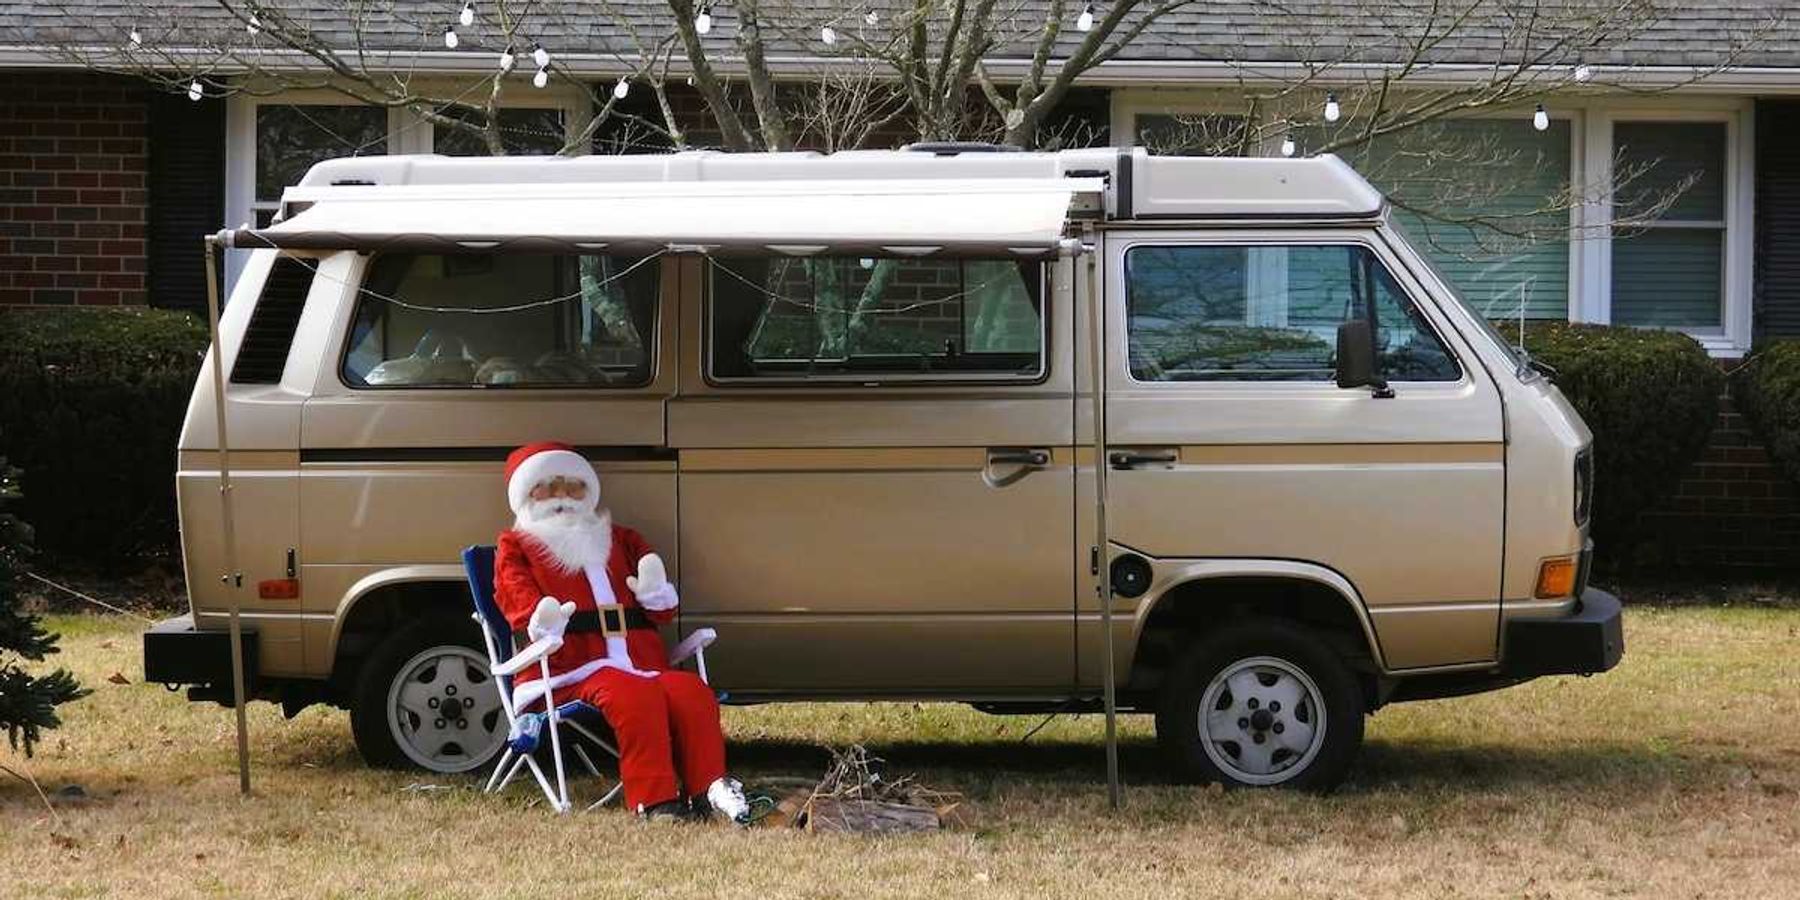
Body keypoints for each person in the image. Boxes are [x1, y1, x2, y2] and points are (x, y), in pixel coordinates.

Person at [493, 441, 748, 823]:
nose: (562, 496)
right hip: (566, 669)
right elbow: (515, 595)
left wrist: (653, 589)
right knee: (632, 695)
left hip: (639, 663)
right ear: (527, 495)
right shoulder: (516, 544)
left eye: (573, 486)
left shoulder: (622, 539)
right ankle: (655, 801)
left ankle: (708, 792)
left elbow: (662, 612)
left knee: (692, 691)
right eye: (548, 487)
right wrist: (541, 616)